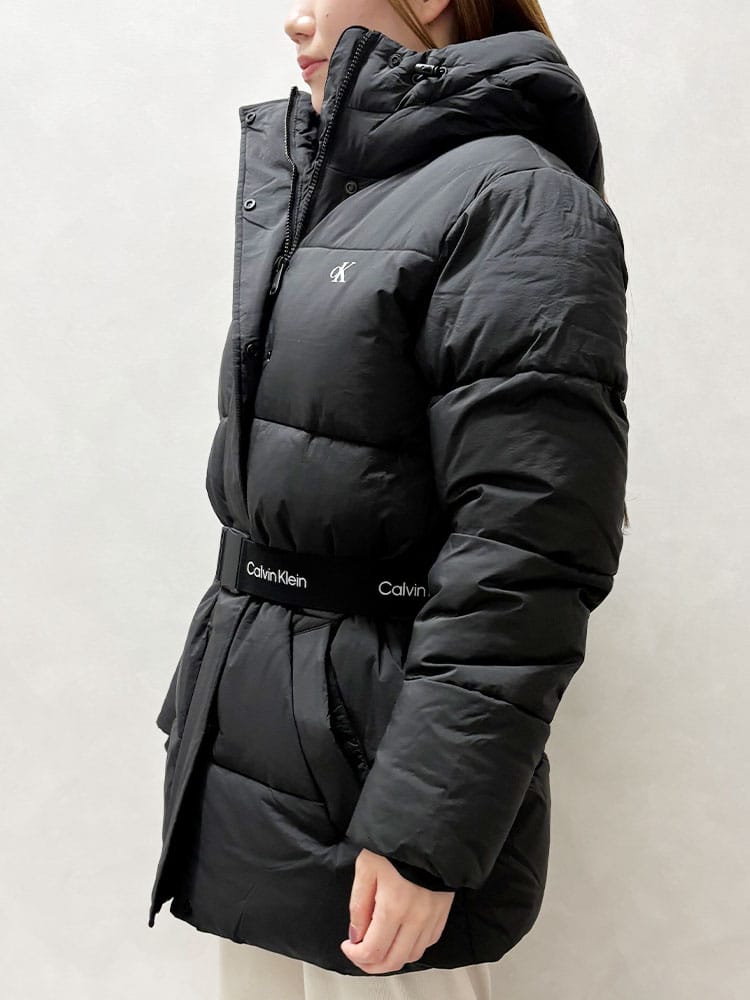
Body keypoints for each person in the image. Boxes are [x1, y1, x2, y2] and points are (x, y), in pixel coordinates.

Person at [148, 0, 630, 995]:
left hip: (374, 780)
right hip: (254, 751)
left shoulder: (520, 200)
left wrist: (424, 830)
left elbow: (527, 547)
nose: (293, 20)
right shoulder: (348, 188)